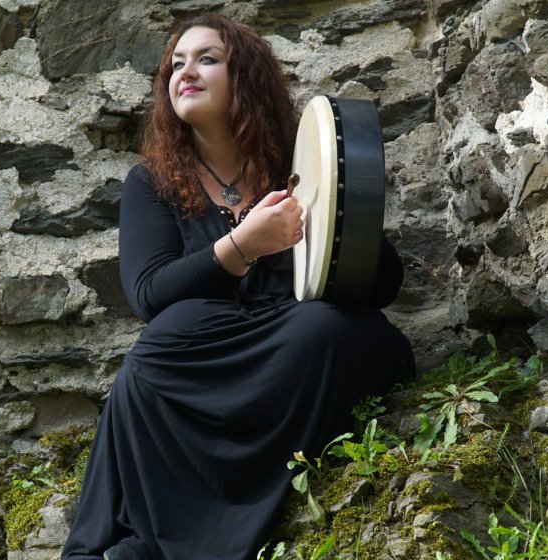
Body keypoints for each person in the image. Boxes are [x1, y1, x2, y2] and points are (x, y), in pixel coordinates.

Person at [61, 14, 415, 560]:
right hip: (208, 354)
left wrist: (328, 214)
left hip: (292, 347)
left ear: (245, 76)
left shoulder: (298, 167)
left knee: (321, 327)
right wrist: (245, 243)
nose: (186, 72)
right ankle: (144, 540)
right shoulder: (151, 183)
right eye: (176, 64)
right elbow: (149, 295)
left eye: (207, 59)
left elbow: (382, 283)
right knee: (159, 347)